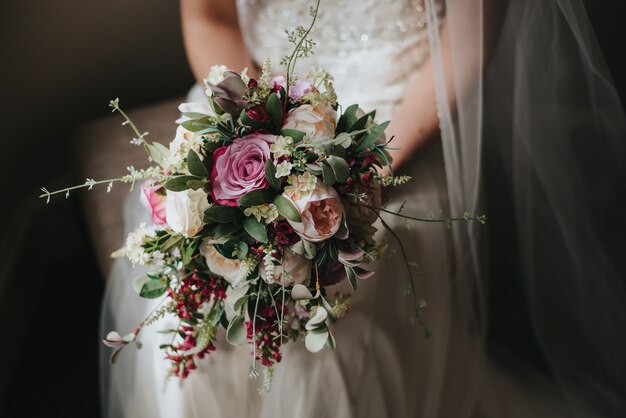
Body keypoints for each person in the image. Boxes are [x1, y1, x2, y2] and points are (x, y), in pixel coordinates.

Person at [101, 1, 626, 417]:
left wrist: (365, 167)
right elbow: (207, 14)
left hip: (404, 119)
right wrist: (260, 132)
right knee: (192, 267)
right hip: (255, 97)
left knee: (348, 295)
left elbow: (471, 33)